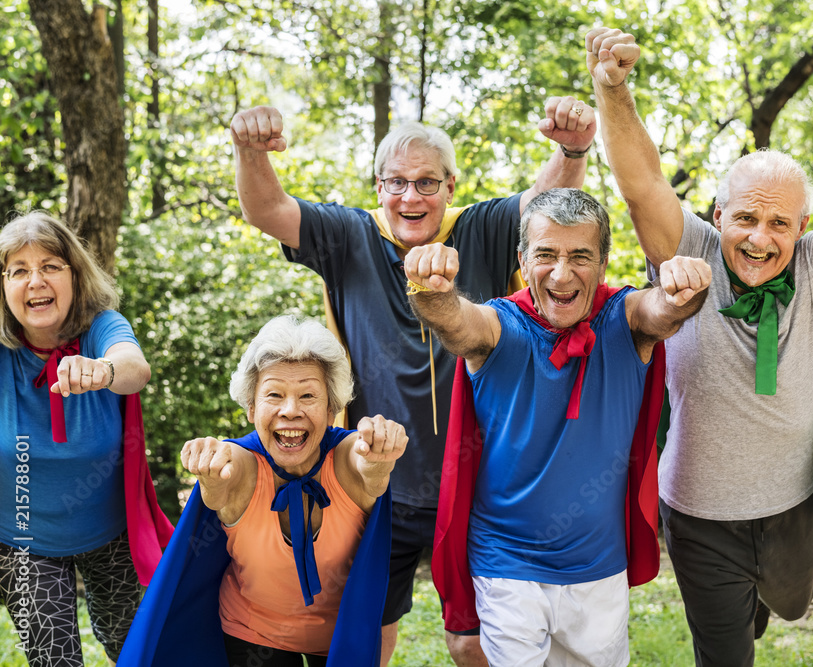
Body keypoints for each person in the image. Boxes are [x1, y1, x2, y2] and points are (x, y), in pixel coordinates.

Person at [586, 27, 813, 665]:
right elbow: (642, 184)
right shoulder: (689, 249)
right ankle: (736, 604)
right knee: (725, 653)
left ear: (803, 227)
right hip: (699, 515)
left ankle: (761, 596)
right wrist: (612, 88)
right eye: (747, 219)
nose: (760, 238)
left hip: (795, 507)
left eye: (779, 223)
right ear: (719, 214)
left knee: (789, 601)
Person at [229, 97, 597, 665]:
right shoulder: (348, 235)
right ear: (378, 187)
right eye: (396, 182)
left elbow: (545, 204)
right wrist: (250, 152)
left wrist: (571, 148)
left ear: (451, 185)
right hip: (375, 479)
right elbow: (268, 210)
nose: (411, 196)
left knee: (474, 640)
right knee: (363, 633)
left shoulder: (482, 227)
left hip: (477, 481)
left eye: (427, 183)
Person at [405, 187, 711, 665]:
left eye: (580, 256)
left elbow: (662, 312)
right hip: (506, 566)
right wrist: (433, 290)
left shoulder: (623, 317)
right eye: (546, 254)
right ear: (524, 261)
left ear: (604, 263)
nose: (562, 273)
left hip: (597, 568)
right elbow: (456, 323)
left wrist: (682, 291)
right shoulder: (501, 325)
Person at [119, 315, 407, 666]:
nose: (290, 410)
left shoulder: (349, 456)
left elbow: (371, 472)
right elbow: (220, 487)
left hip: (337, 640)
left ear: (331, 408)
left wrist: (380, 454)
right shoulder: (240, 461)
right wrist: (210, 472)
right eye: (274, 394)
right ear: (252, 407)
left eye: (308, 395)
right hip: (251, 634)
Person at [0, 211, 172, 667]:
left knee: (137, 650)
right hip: (22, 540)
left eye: (51, 266)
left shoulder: (101, 326)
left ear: (74, 274)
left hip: (110, 532)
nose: (35, 281)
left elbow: (135, 368)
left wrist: (104, 370)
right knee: (55, 660)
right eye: (19, 270)